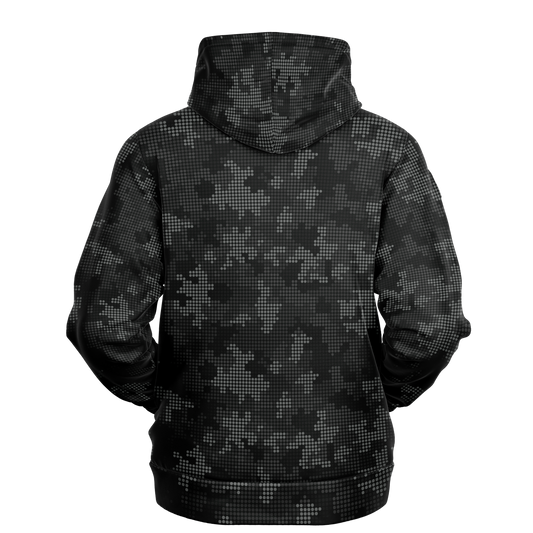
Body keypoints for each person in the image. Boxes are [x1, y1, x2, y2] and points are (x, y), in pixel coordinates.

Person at [63, 29, 473, 526]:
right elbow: (430, 327)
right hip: (348, 482)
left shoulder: (154, 146)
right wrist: (379, 398)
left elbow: (106, 327)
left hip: (196, 479)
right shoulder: (389, 146)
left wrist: (161, 398)